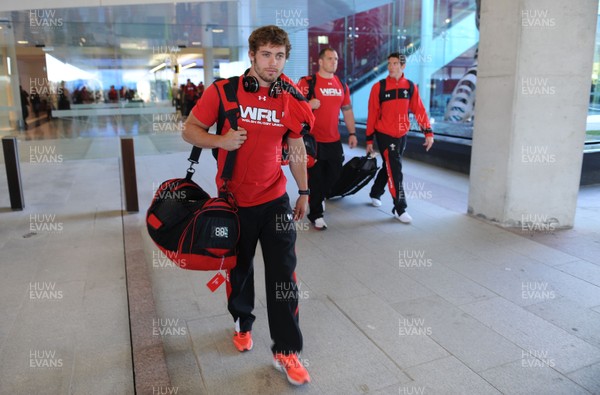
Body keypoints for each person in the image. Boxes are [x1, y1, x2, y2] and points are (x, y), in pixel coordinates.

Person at [182, 25, 313, 386]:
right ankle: (242, 322)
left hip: (275, 201)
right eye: (266, 54)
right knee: (238, 270)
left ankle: (287, 350)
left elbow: (297, 147)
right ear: (252, 55)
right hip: (234, 203)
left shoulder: (289, 98)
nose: (273, 63)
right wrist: (220, 139)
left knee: (284, 275)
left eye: (280, 56)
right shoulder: (223, 92)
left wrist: (303, 191)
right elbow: (190, 129)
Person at [366, 52, 434, 223]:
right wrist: (368, 140)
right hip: (384, 134)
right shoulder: (378, 87)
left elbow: (419, 110)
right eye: (389, 63)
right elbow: (372, 114)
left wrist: (428, 133)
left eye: (395, 63)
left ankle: (375, 192)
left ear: (403, 66)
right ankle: (400, 208)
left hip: (402, 135)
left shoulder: (410, 87)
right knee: (395, 169)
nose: (391, 67)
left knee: (389, 165)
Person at [297, 48, 357, 230]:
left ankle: (319, 196)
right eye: (330, 58)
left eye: (336, 59)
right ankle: (316, 215)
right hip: (312, 140)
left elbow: (347, 110)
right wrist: (308, 104)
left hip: (333, 139)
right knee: (315, 177)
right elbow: (292, 107)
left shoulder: (341, 84)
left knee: (334, 174)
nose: (334, 62)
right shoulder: (307, 82)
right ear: (320, 62)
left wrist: (353, 133)